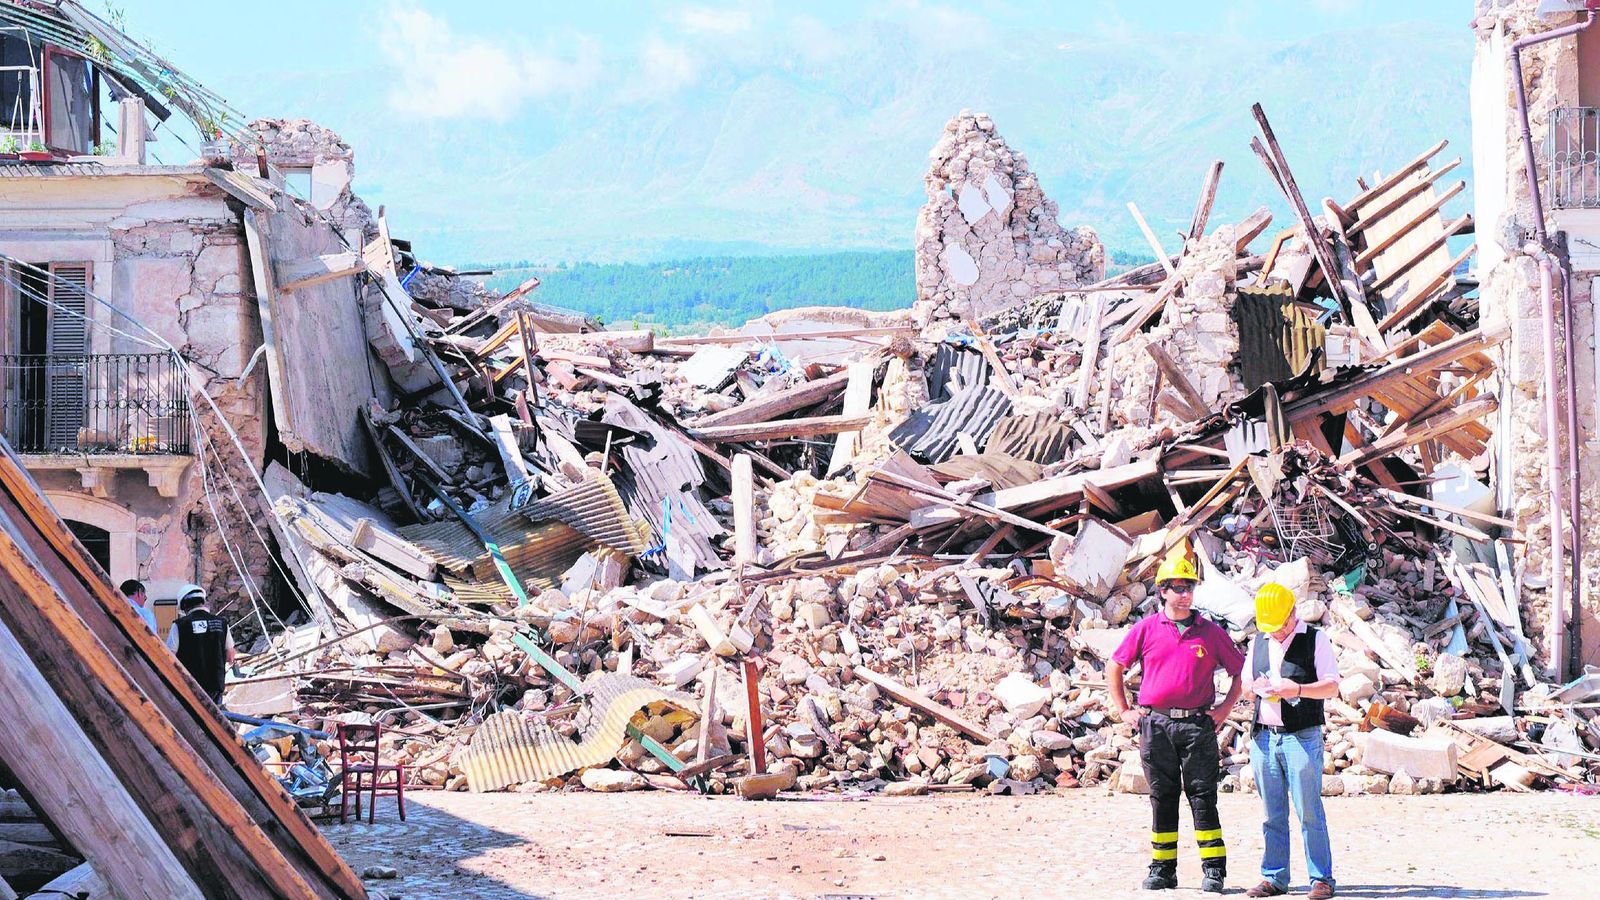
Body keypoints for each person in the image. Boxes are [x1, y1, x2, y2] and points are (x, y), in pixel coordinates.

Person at [1108, 553, 1246, 893]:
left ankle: (1214, 870)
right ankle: (1163, 869)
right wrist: (1125, 710)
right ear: (1163, 592)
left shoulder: (1210, 632)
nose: (1186, 594)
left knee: (1202, 796)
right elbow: (1115, 667)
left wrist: (1225, 709)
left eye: (1190, 587)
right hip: (1155, 725)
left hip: (1197, 726)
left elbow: (1239, 671)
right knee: (1162, 796)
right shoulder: (1146, 629)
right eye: (1179, 588)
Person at [1244, 583, 1340, 900]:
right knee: (1271, 814)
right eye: (1270, 627)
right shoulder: (1259, 641)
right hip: (1263, 739)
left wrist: (1296, 690)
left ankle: (1321, 879)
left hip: (1301, 737)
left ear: (1293, 613)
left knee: (1309, 811)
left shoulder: (1316, 639)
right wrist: (1254, 689)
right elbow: (1245, 685)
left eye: (1281, 626)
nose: (1277, 633)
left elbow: (1330, 687)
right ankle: (1274, 877)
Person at [165, 584, 235, 704]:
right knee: (213, 719)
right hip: (215, 685)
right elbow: (230, 656)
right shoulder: (221, 623)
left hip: (189, 686)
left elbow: (169, 657)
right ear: (203, 601)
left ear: (184, 606)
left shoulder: (179, 625)